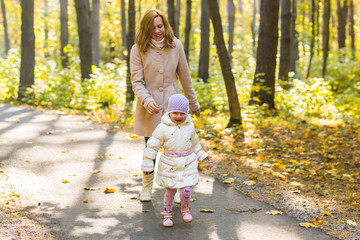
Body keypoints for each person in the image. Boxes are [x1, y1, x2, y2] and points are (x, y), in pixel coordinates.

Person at [130, 8, 201, 202]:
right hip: (149, 108)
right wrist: (146, 100)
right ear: (146, 29)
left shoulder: (175, 45)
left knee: (176, 151)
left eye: (160, 26)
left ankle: (177, 186)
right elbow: (137, 82)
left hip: (173, 106)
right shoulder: (138, 48)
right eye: (152, 27)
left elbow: (185, 77)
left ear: (165, 25)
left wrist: (193, 103)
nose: (157, 31)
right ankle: (146, 187)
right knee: (150, 149)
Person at [142, 94, 211, 227]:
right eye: (175, 113)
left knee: (186, 190)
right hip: (170, 164)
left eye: (182, 113)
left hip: (187, 162)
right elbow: (152, 145)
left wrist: (201, 154)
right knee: (171, 190)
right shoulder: (162, 128)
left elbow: (195, 143)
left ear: (186, 113)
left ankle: (185, 208)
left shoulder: (189, 127)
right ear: (169, 112)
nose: (178, 116)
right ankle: (167, 213)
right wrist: (148, 162)